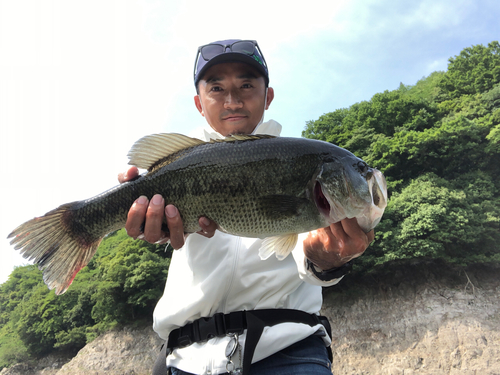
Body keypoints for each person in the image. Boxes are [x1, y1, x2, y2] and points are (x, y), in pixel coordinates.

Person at [118, 40, 374, 375]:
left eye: (247, 85)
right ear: (199, 102)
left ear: (268, 96)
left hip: (287, 351)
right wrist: (139, 213)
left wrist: (327, 261)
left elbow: (309, 254)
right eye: (217, 88)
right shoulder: (179, 163)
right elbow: (164, 228)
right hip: (183, 360)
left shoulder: (301, 163)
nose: (232, 100)